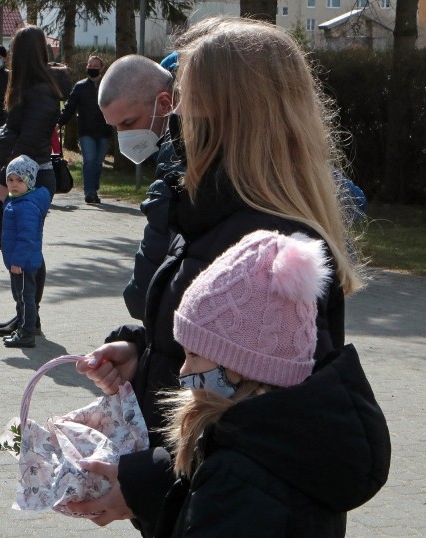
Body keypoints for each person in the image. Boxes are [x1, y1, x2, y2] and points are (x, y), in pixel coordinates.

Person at [69, 17, 364, 533]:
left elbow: (262, 434)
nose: (176, 113)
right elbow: (227, 355)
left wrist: (142, 485)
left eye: (187, 98)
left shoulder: (265, 239)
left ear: (234, 112)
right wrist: (143, 349)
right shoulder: (209, 207)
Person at [154, 230, 390, 537]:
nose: (185, 369)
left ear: (239, 367)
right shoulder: (296, 447)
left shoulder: (236, 474)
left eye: (195, 354)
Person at [0, 25, 62, 338]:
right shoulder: (27, 88)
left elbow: (28, 142)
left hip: (30, 181)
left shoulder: (42, 92)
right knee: (13, 245)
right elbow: (11, 127)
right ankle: (24, 313)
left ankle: (31, 321)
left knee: (25, 249)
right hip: (18, 178)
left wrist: (8, 182)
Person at [95, 54, 177, 319]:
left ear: (165, 104)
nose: (124, 135)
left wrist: (139, 297)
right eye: (116, 127)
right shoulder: (174, 146)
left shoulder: (177, 158)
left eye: (128, 123)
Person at [0, 156, 51, 348]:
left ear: (30, 181)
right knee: (20, 296)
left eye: (20, 180)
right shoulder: (19, 201)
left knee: (25, 297)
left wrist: (18, 261)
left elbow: (26, 237)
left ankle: (27, 332)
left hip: (24, 263)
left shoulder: (26, 206)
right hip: (20, 261)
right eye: (10, 180)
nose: (14, 184)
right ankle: (22, 326)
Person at [57, 55, 113, 204]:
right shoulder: (80, 87)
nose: (93, 68)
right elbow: (69, 107)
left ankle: (93, 188)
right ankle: (90, 192)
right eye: (90, 65)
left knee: (98, 162)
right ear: (86, 67)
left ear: (102, 68)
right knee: (89, 160)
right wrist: (59, 123)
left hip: (104, 131)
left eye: (96, 66)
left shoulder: (108, 87)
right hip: (86, 131)